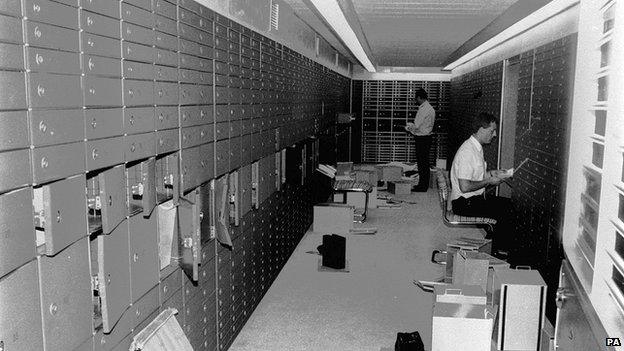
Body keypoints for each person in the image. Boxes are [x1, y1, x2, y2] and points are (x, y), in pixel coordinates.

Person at [450, 112, 514, 257]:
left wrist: (494, 173)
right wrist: (489, 181)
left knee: (509, 205)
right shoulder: (468, 151)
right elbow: (465, 186)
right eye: (492, 131)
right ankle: (499, 253)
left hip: (471, 200)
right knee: (506, 211)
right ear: (481, 129)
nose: (495, 134)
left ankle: (491, 246)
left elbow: (478, 176)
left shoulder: (476, 148)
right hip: (463, 203)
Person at [405, 88, 435, 192]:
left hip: (422, 139)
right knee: (424, 162)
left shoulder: (423, 109)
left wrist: (408, 127)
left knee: (422, 163)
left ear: (419, 97)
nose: (415, 100)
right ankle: (423, 184)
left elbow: (417, 126)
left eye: (416, 98)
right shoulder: (430, 108)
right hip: (427, 138)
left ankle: (422, 186)